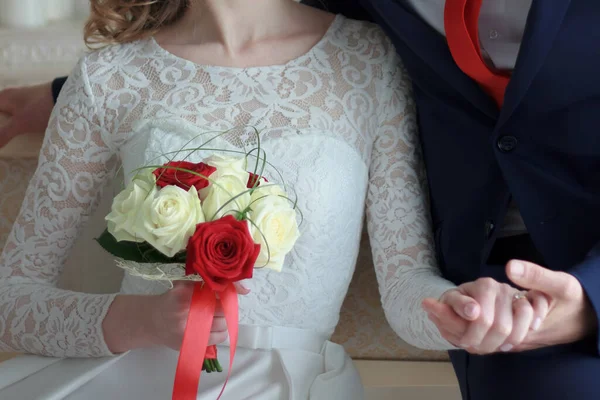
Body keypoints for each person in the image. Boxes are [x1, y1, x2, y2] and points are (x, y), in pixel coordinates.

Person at [4, 0, 598, 399]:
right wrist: (144, 321)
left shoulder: (370, 56)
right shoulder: (109, 77)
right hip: (138, 377)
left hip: (297, 380)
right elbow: (14, 300)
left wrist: (466, 313)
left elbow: (405, 285)